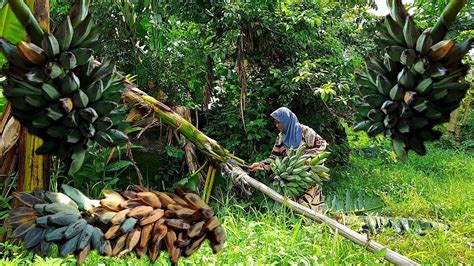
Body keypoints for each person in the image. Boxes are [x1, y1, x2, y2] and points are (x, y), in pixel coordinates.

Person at [249, 107, 327, 211]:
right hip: (291, 176)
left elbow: (321, 144)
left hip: (308, 175)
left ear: (286, 121)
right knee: (293, 208)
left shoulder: (305, 131)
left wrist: (308, 157)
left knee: (309, 206)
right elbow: (274, 158)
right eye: (275, 123)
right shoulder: (281, 137)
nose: (276, 126)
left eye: (278, 122)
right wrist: (260, 165)